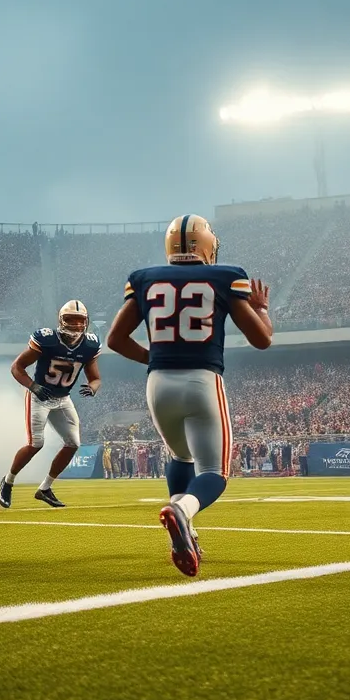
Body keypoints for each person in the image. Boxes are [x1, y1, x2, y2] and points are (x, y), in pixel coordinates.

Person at [106, 214, 272, 577]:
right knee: (214, 472)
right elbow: (262, 340)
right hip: (202, 380)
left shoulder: (145, 278)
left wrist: (155, 356)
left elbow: (115, 340)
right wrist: (261, 308)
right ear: (207, 246)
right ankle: (183, 510)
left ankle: (186, 536)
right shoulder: (224, 276)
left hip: (158, 383)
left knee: (180, 455)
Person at [0, 300, 101, 508]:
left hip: (63, 399)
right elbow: (17, 367)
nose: (75, 325)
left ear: (86, 322)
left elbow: (96, 378)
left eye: (79, 320)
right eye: (70, 320)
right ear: (61, 320)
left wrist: (92, 387)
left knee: (73, 443)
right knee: (36, 443)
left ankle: (45, 488)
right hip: (40, 397)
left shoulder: (90, 345)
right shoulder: (47, 340)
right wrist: (33, 386)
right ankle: (8, 481)